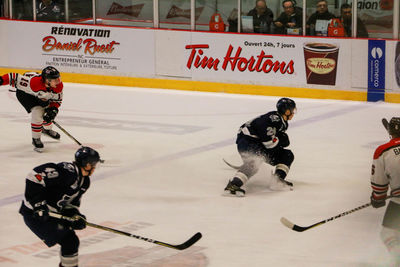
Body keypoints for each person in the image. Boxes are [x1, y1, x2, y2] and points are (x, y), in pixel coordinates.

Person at [19, 146, 101, 267]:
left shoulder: (84, 182)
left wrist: (75, 216)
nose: (94, 168)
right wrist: (38, 205)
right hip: (35, 214)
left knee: (71, 242)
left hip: (51, 214)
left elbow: (71, 203)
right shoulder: (68, 172)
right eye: (93, 164)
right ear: (86, 164)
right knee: (70, 241)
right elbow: (35, 176)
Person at [224, 98, 296, 197]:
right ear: (287, 111)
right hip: (247, 141)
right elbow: (269, 144)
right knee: (255, 161)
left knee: (286, 155)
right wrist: (279, 141)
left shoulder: (280, 120)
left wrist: (278, 141)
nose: (293, 113)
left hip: (256, 142)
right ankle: (233, 186)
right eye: (292, 110)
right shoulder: (275, 120)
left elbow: (269, 141)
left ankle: (277, 180)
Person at [0, 66, 63, 152]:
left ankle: (47, 130)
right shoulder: (32, 82)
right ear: (47, 80)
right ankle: (36, 139)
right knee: (38, 113)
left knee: (48, 115)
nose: (58, 81)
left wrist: (53, 109)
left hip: (41, 95)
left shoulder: (58, 86)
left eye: (58, 78)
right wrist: (1, 80)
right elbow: (14, 77)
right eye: (55, 79)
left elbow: (57, 100)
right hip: (25, 94)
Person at [370, 117, 400, 264]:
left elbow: (379, 184)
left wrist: (378, 197)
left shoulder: (382, 151)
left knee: (388, 233)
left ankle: (397, 259)